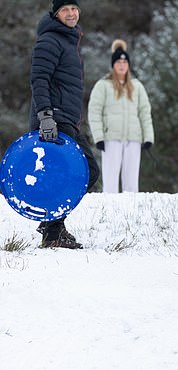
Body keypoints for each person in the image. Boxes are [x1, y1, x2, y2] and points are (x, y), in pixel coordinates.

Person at [30, 0, 99, 249]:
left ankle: (53, 227)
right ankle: (52, 228)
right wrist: (45, 116)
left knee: (70, 174)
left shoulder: (67, 40)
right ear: (56, 13)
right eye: (65, 10)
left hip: (64, 118)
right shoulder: (50, 40)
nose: (71, 14)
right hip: (53, 120)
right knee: (87, 170)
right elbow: (39, 79)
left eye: (74, 8)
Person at [88, 39, 154, 193]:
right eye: (118, 62)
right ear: (113, 65)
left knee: (131, 183)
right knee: (110, 182)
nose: (122, 65)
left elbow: (145, 112)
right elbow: (94, 112)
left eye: (124, 62)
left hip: (133, 139)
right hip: (111, 139)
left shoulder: (137, 86)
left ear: (128, 65)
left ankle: (130, 214)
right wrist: (98, 137)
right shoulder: (103, 85)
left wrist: (148, 137)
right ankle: (111, 213)